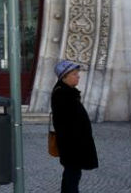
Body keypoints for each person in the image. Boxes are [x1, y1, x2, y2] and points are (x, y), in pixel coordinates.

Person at [51, 60, 98, 193]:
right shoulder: (62, 94)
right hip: (72, 143)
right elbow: (66, 122)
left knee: (73, 174)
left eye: (77, 73)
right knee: (72, 175)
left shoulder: (67, 92)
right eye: (74, 74)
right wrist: (78, 139)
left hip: (74, 142)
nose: (78, 76)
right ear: (64, 77)